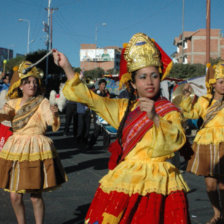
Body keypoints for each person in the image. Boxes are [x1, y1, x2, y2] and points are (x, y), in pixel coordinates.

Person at [53, 32, 190, 224]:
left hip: (159, 184)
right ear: (133, 82)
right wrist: (67, 68)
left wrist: (156, 118)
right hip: (126, 181)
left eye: (154, 76)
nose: (149, 82)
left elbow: (175, 141)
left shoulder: (169, 111)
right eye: (142, 77)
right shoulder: (123, 108)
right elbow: (91, 99)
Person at [0, 61, 67, 224]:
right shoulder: (12, 103)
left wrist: (54, 112)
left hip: (36, 149)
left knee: (36, 196)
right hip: (16, 149)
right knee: (15, 196)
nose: (32, 85)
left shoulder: (42, 102)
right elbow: (4, 115)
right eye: (28, 82)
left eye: (34, 82)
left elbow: (51, 122)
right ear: (20, 86)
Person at [180, 61, 224, 224]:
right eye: (221, 82)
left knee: (223, 185)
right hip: (207, 144)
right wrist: (186, 96)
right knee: (210, 185)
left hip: (223, 144)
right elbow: (190, 113)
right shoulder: (204, 101)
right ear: (213, 84)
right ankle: (217, 213)